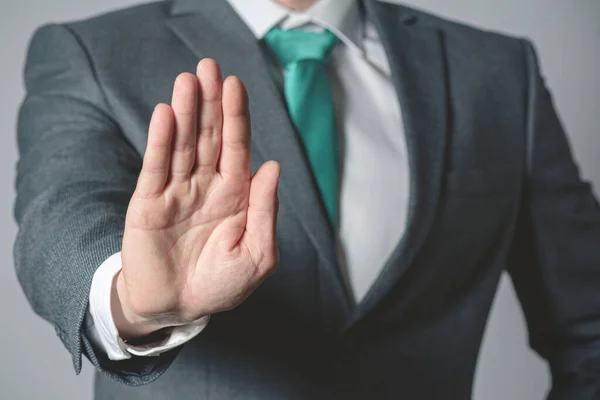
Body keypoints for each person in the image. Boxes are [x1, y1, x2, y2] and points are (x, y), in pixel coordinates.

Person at [13, 0, 600, 398]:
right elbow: (57, 222)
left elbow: (587, 323)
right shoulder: (92, 50)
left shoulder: (498, 71)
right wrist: (141, 304)